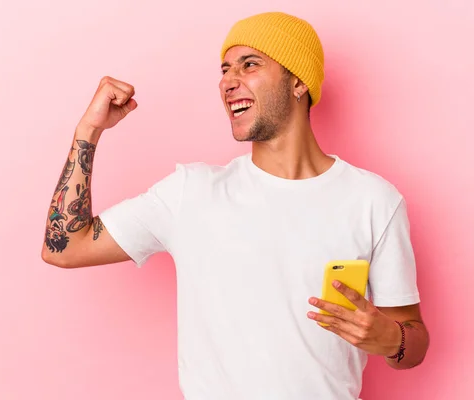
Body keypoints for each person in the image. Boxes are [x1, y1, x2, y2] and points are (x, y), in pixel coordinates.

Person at [41, 11, 429, 400]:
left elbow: (412, 346)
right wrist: (87, 131)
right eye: (225, 69)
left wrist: (389, 338)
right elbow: (65, 246)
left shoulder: (374, 200)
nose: (228, 81)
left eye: (250, 64)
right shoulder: (190, 193)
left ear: (298, 82)